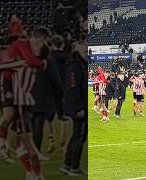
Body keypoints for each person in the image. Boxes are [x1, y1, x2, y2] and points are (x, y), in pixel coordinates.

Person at [0, 27, 51, 179]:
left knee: (27, 144)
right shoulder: (37, 63)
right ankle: (31, 173)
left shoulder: (25, 62)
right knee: (18, 144)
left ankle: (36, 174)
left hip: (21, 105)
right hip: (24, 104)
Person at [60, 36, 87, 176]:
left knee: (77, 136)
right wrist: (79, 108)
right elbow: (73, 89)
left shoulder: (80, 64)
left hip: (80, 106)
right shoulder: (75, 66)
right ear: (78, 47)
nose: (87, 50)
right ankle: (73, 167)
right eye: (84, 47)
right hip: (79, 108)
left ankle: (68, 165)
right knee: (79, 137)